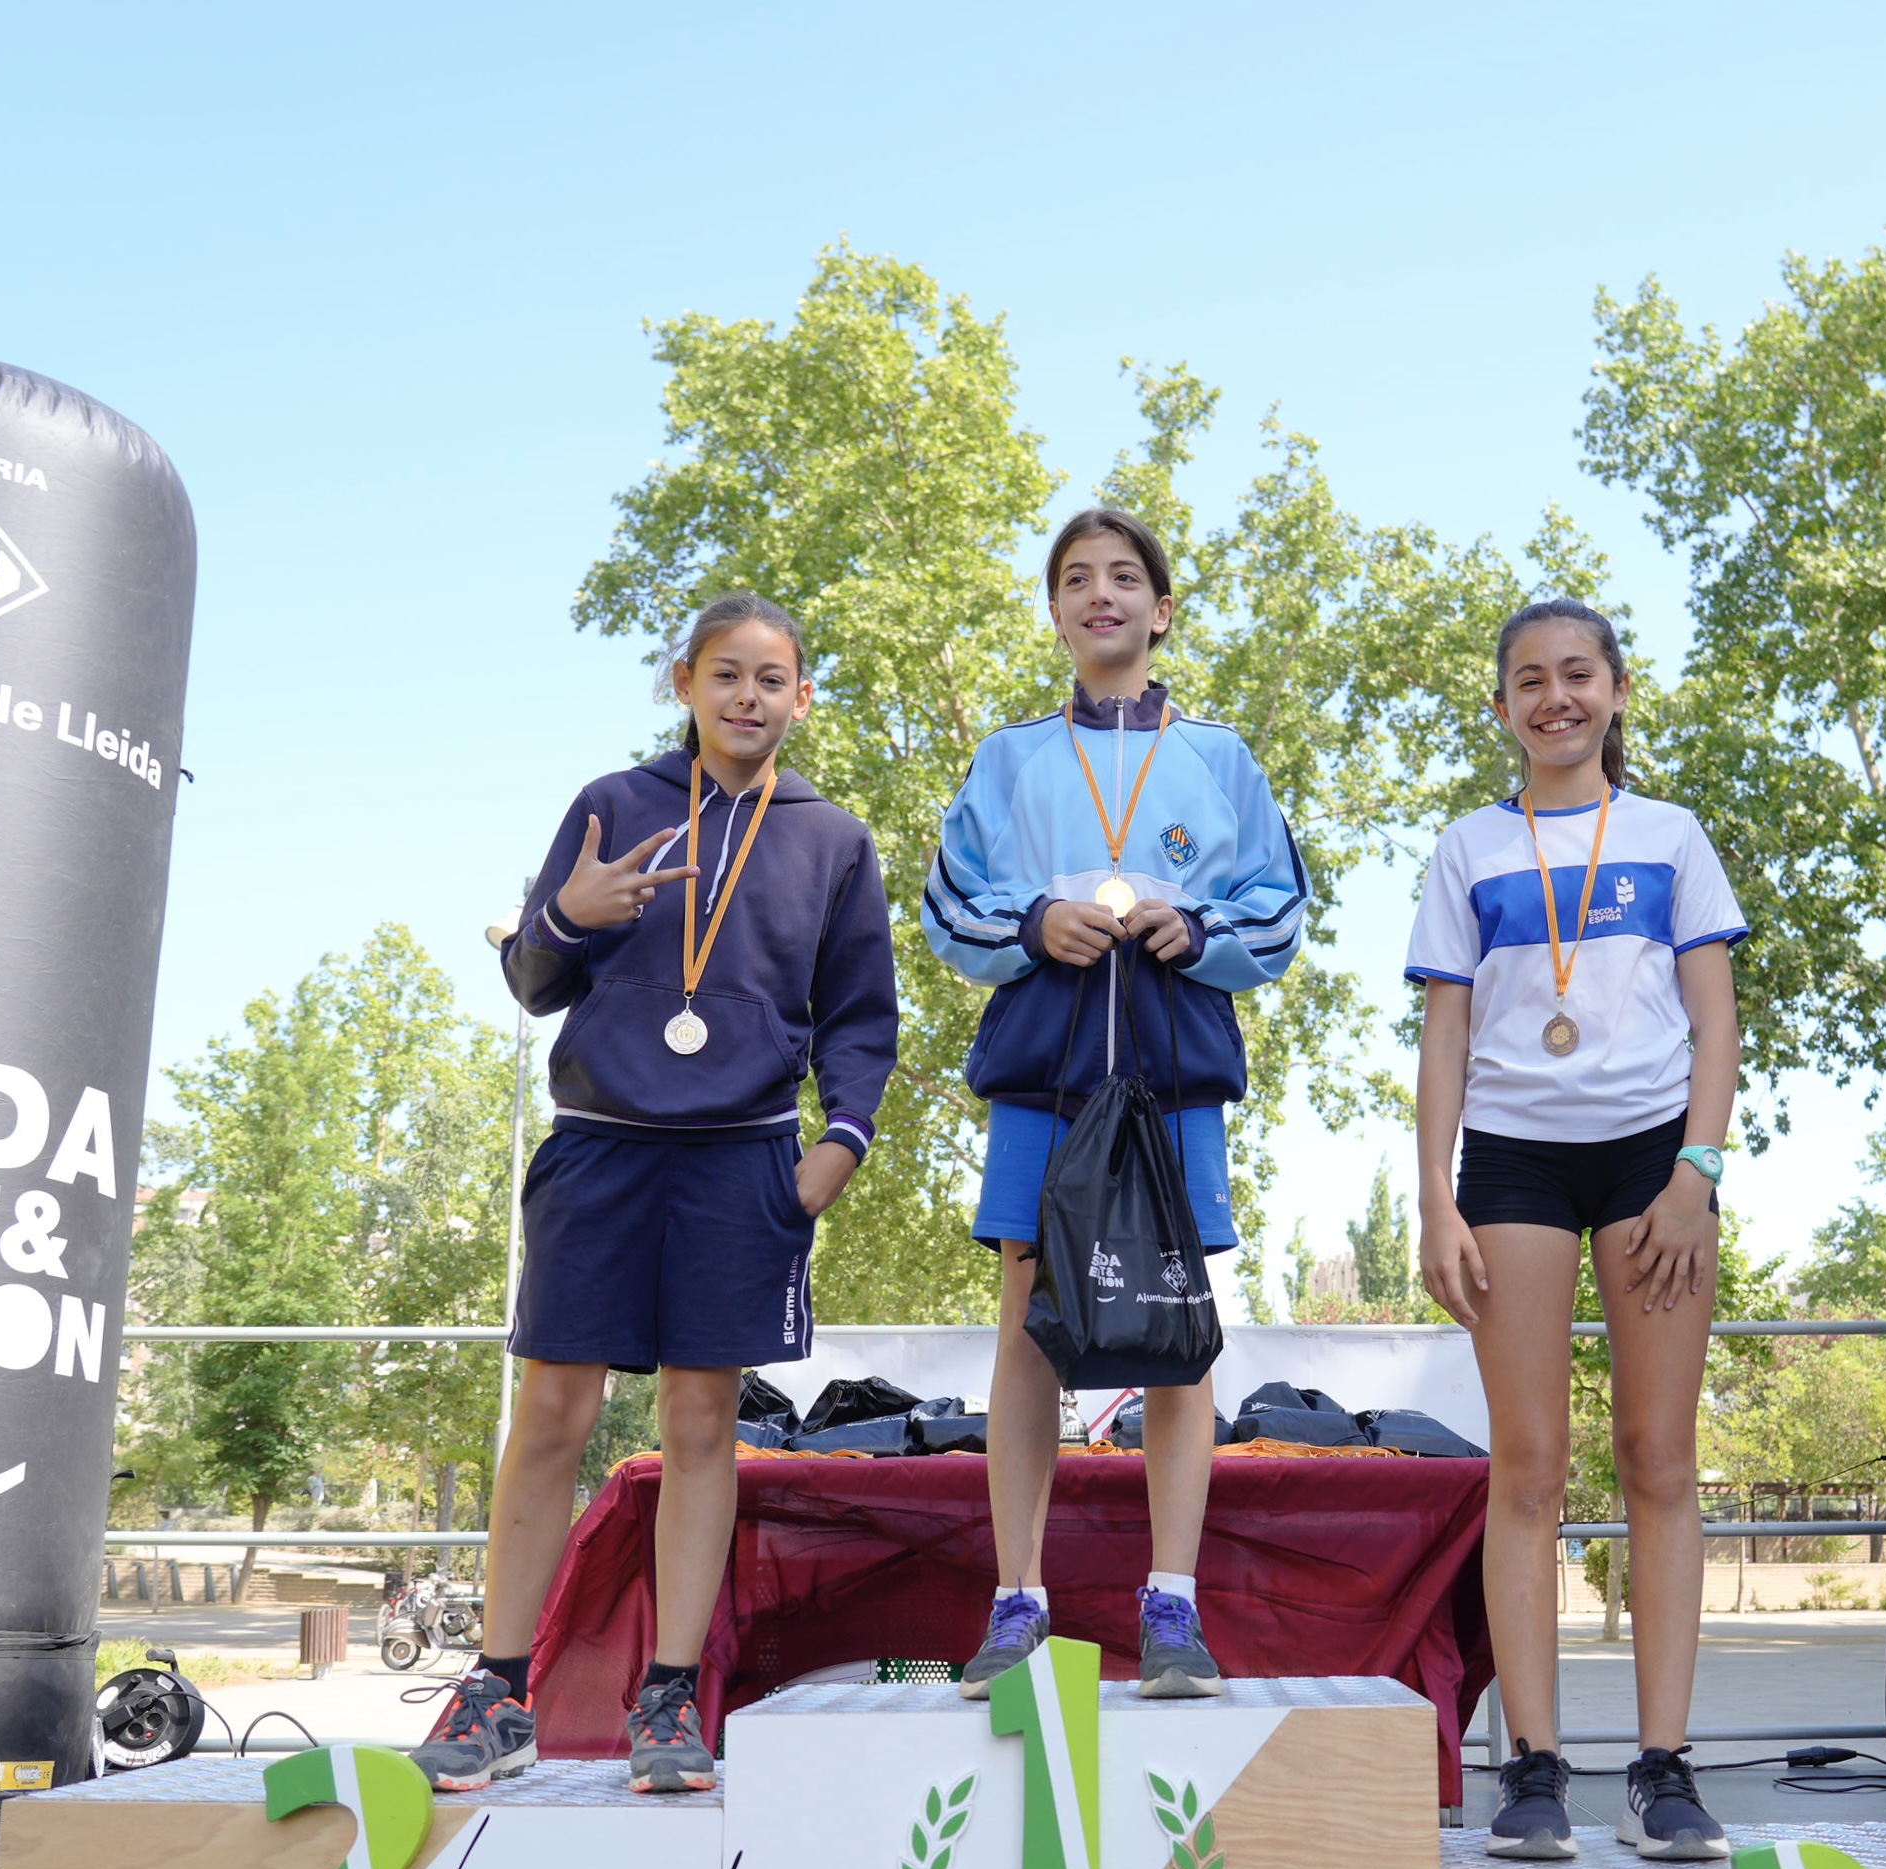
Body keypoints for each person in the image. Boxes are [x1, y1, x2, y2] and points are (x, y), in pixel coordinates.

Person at [411, 593, 899, 1795]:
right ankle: (497, 1688)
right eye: (724, 674)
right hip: (601, 1147)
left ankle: (670, 1696)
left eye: (771, 678)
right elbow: (531, 978)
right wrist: (566, 921)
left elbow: (859, 1019)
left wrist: (837, 1145)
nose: (747, 696)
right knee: (552, 1420)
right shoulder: (613, 804)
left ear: (800, 696)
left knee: (698, 1428)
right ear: (681, 682)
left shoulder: (830, 839)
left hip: (741, 1160)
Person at [919, 507, 1308, 1702]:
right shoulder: (1010, 758)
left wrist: (1195, 929)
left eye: (1125, 578)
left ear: (1162, 607)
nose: (1102, 596)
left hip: (1171, 1076)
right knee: (1029, 1320)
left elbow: (1278, 911)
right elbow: (950, 905)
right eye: (1077, 580)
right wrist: (1033, 923)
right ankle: (1017, 1599)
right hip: (1041, 1076)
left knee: (1177, 1331)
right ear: (1055, 611)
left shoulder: (1223, 759)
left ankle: (1172, 1607)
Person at [1410, 598, 1747, 1864]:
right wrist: (1434, 1195)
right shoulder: (1467, 850)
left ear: (1613, 689)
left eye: (1575, 676)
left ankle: (1663, 1768)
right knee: (1528, 1467)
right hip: (1511, 1165)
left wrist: (1695, 1175)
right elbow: (1443, 1033)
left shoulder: (1670, 837)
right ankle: (1532, 1768)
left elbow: (1713, 1021)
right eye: (1527, 681)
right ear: (1500, 706)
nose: (1553, 698)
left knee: (1659, 1455)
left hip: (1654, 1164)